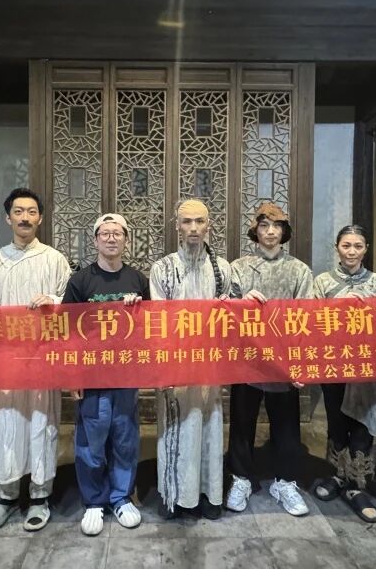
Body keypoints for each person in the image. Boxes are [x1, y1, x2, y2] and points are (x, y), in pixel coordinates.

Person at [0, 188, 71, 532]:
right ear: (8, 218)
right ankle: (7, 495)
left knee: (41, 422)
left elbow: (71, 304)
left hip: (42, 357)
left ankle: (40, 495)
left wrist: (53, 300)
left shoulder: (55, 259)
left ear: (41, 218)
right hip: (5, 359)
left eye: (31, 212)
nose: (25, 218)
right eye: (19, 211)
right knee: (6, 423)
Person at [149, 198, 237, 520]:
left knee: (210, 428)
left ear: (208, 225)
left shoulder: (223, 268)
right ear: (177, 226)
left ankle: (209, 495)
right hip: (176, 368)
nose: (194, 228)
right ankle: (174, 496)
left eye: (200, 221)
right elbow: (159, 323)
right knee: (177, 430)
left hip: (210, 366)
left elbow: (231, 318)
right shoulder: (162, 268)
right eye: (187, 221)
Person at [62, 213, 150, 536]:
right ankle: (94, 501)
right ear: (96, 239)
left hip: (126, 374)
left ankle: (121, 497)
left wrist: (137, 310)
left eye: (117, 233)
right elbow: (67, 332)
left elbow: (151, 327)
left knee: (125, 438)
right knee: (92, 440)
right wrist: (72, 375)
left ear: (126, 240)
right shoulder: (80, 281)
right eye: (105, 233)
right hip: (92, 375)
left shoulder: (138, 280)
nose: (111, 238)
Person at [224, 202, 312, 517]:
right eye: (264, 226)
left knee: (286, 424)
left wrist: (300, 362)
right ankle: (241, 478)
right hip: (248, 358)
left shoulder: (299, 270)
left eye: (276, 226)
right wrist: (240, 302)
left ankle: (285, 481)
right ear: (256, 231)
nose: (271, 232)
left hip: (284, 361)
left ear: (284, 232)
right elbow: (224, 308)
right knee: (242, 422)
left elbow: (307, 318)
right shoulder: (238, 267)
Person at [311, 224, 376, 523]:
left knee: (361, 422)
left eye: (358, 246)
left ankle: (359, 484)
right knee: (336, 420)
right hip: (333, 362)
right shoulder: (322, 282)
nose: (352, 251)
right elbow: (312, 321)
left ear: (366, 249)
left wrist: (368, 310)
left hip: (367, 366)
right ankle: (337, 475)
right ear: (337, 248)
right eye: (346, 245)